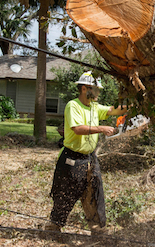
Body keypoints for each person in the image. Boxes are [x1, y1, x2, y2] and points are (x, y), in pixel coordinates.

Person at [45, 71, 127, 232]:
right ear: (84, 89)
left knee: (95, 193)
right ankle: (54, 226)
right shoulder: (73, 105)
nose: (98, 93)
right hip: (72, 158)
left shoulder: (94, 107)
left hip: (90, 158)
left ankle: (98, 229)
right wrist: (101, 128)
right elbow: (77, 129)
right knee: (66, 194)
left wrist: (133, 105)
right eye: (95, 89)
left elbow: (112, 110)